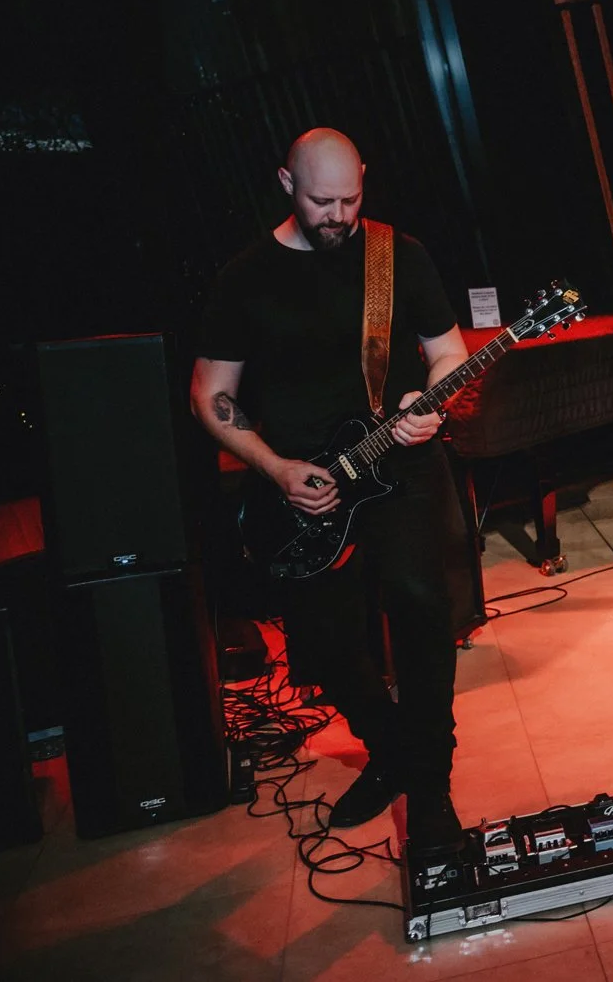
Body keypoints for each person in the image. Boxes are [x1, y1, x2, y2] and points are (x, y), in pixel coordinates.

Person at [189, 128, 468, 849]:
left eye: (350, 197)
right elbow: (209, 394)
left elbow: (448, 354)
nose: (338, 214)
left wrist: (430, 404)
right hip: (301, 488)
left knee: (420, 606)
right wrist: (277, 469)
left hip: (397, 465)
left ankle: (431, 793)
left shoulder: (396, 256)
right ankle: (392, 750)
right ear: (286, 182)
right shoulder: (245, 277)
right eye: (321, 200)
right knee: (324, 645)